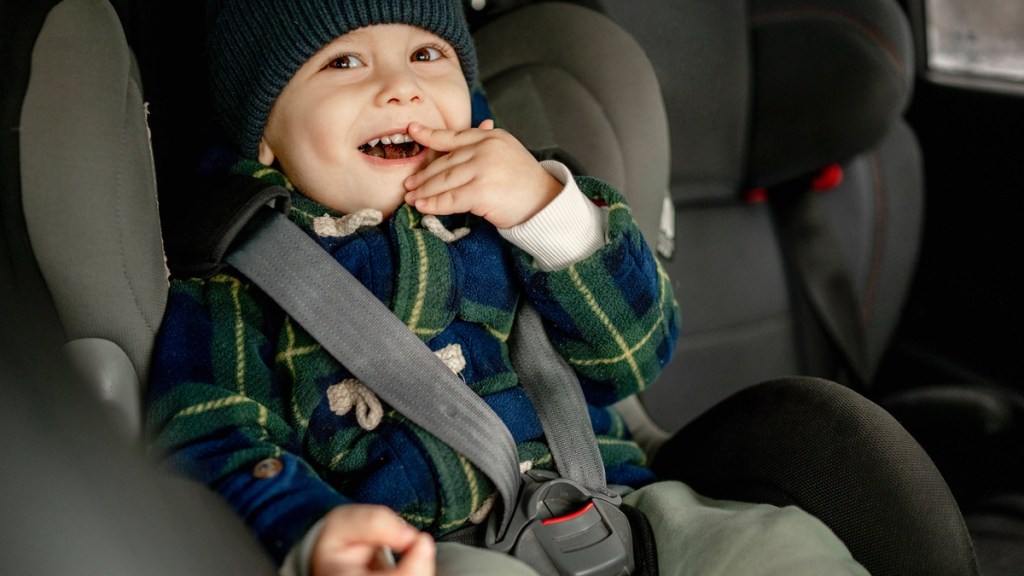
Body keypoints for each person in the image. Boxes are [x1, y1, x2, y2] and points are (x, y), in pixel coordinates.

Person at [146, 1, 868, 575]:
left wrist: (547, 214)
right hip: (428, 548)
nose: (401, 86)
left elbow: (638, 358)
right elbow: (208, 435)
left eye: (428, 55)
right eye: (342, 62)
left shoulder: (522, 206)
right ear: (266, 132)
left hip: (621, 507)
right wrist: (308, 530)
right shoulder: (239, 278)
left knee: (778, 545)